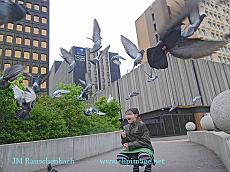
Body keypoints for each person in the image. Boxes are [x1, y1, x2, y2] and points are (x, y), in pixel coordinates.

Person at [117, 108, 154, 172]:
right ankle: (135, 165)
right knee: (121, 158)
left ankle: (148, 165)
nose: (127, 116)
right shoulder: (126, 127)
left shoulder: (142, 125)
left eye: (130, 114)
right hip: (133, 148)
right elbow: (125, 143)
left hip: (144, 147)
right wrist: (124, 138)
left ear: (136, 115)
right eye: (126, 115)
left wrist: (130, 145)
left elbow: (146, 141)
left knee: (144, 157)